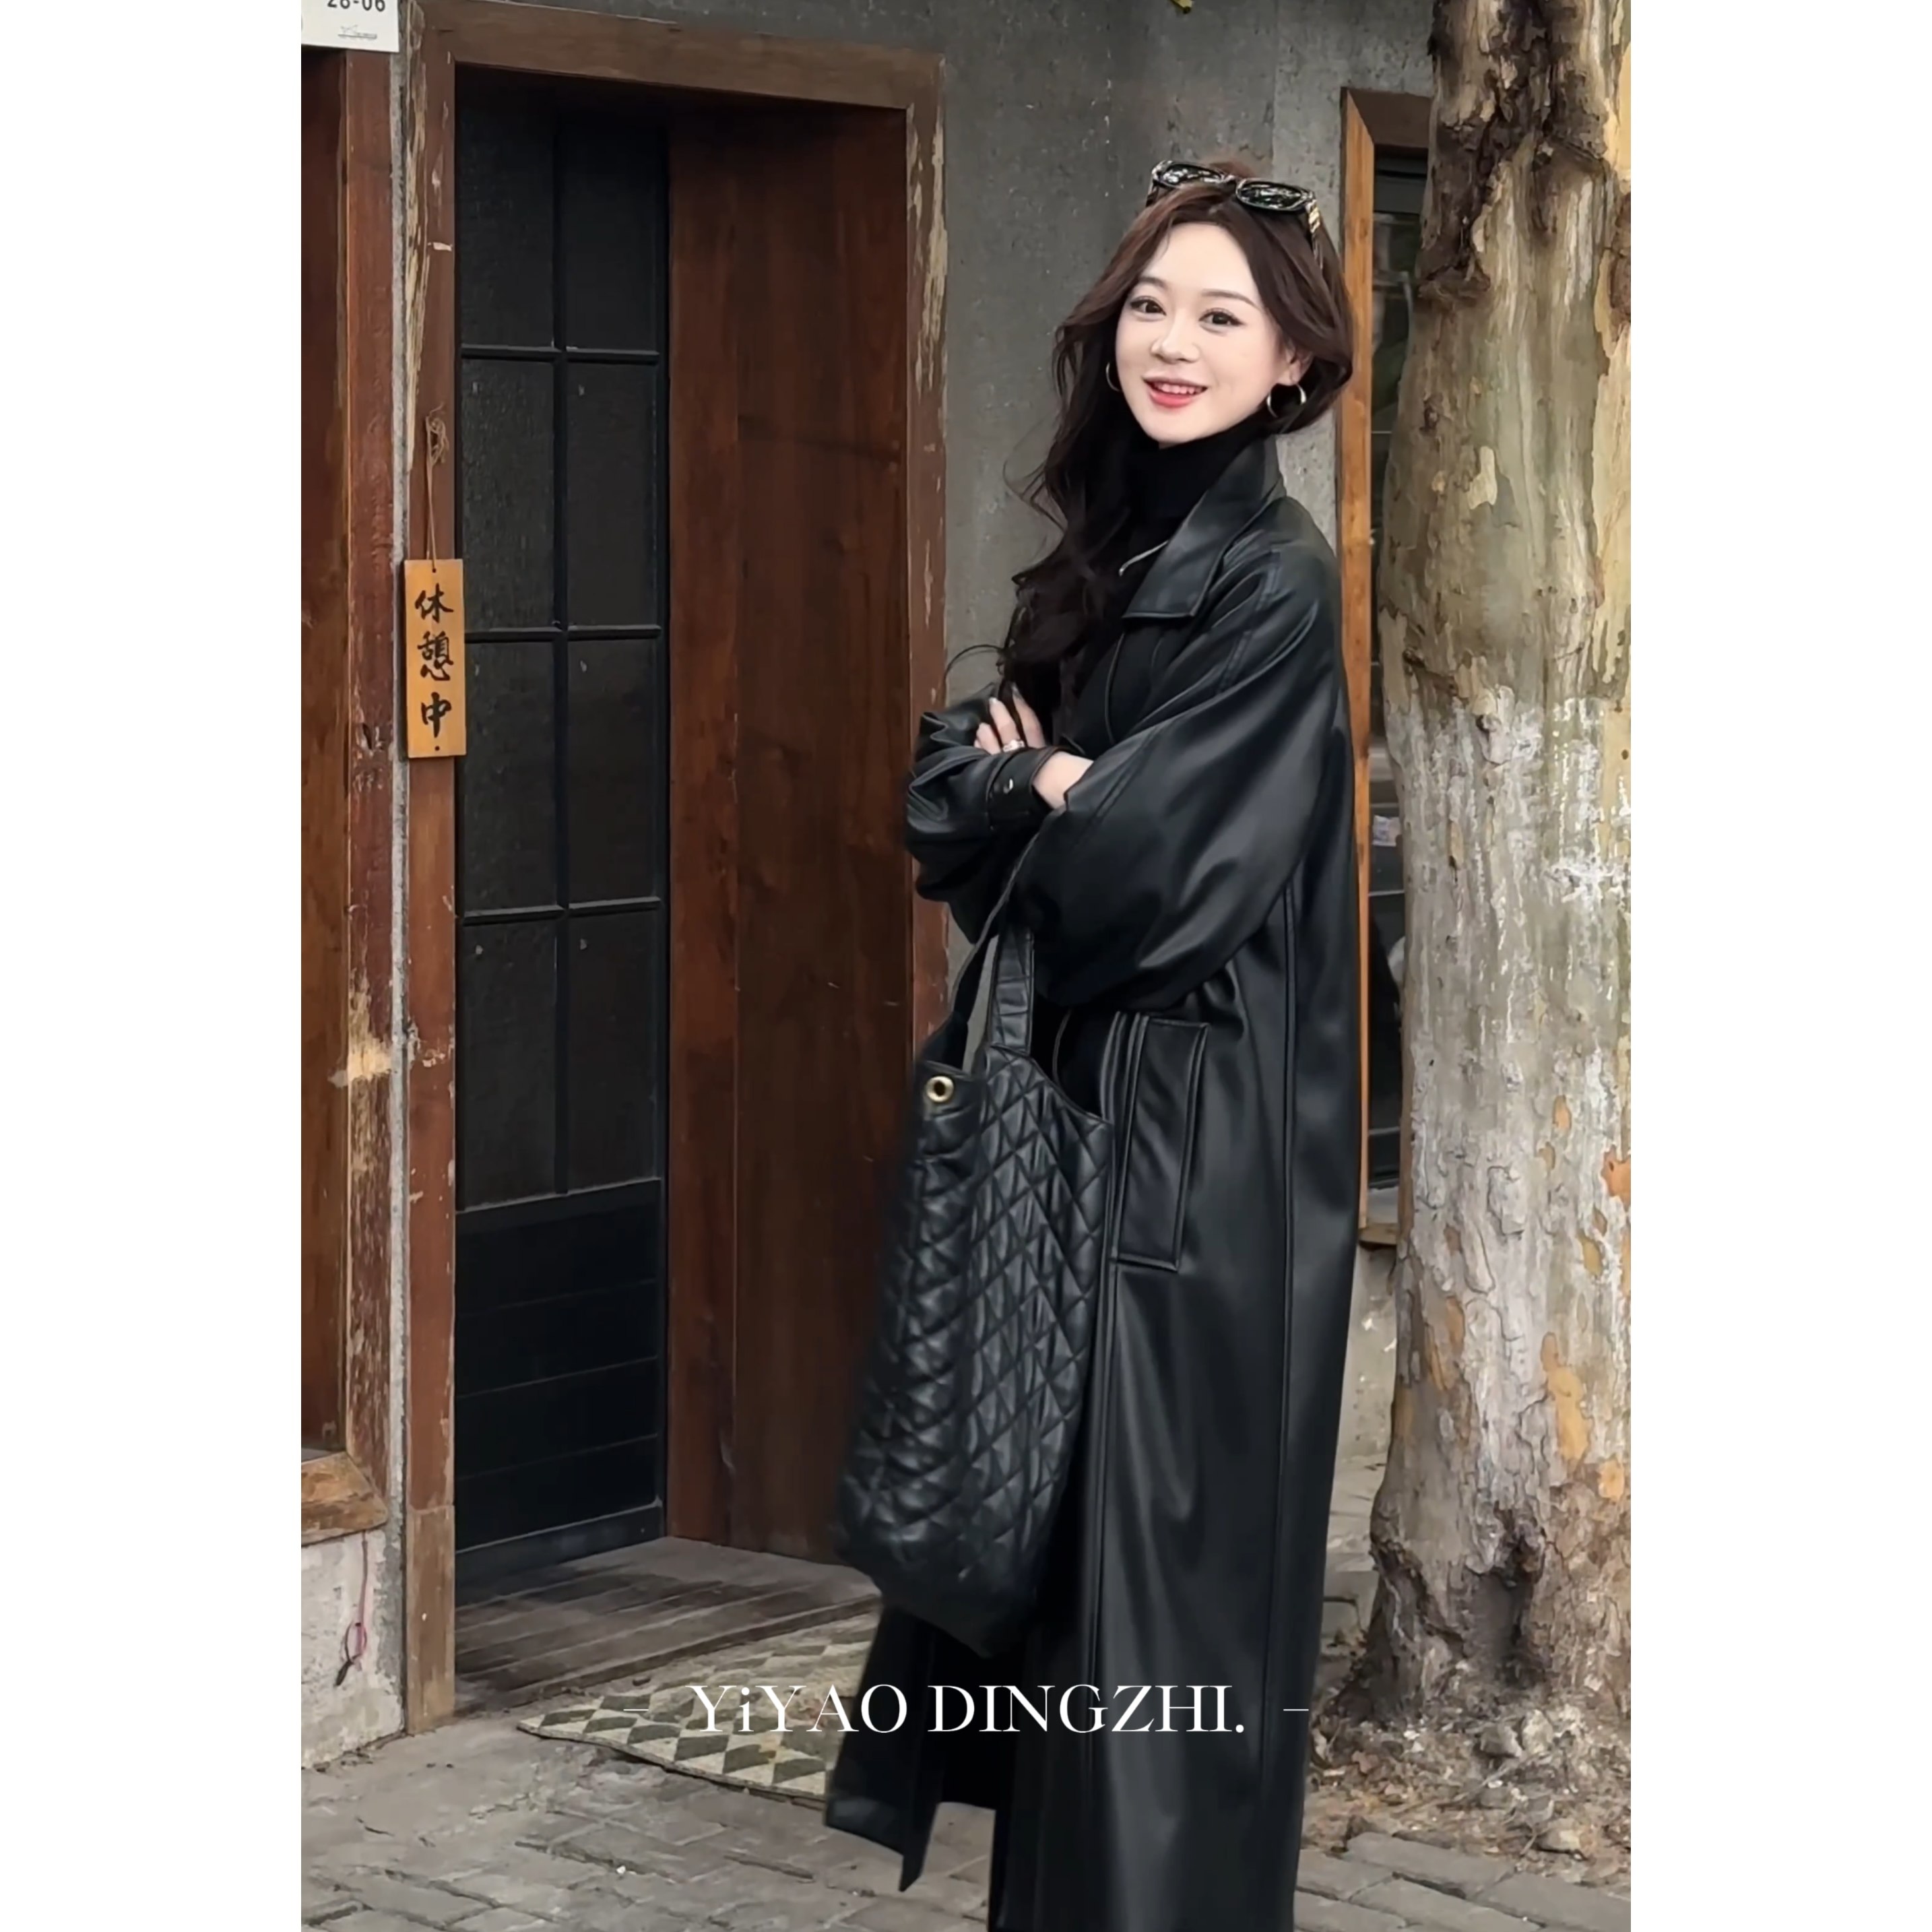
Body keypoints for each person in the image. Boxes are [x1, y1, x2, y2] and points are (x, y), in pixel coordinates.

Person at [825, 159, 1361, 1932]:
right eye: (1150, 304)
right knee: (1065, 1643)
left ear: (1293, 361)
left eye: (1220, 314)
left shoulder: (1274, 585)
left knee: (1160, 1651)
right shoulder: (1114, 556)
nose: (1172, 343)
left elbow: (1151, 884)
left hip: (1196, 1186)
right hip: (1076, 1142)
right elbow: (941, 798)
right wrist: (1042, 785)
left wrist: (1049, 786)